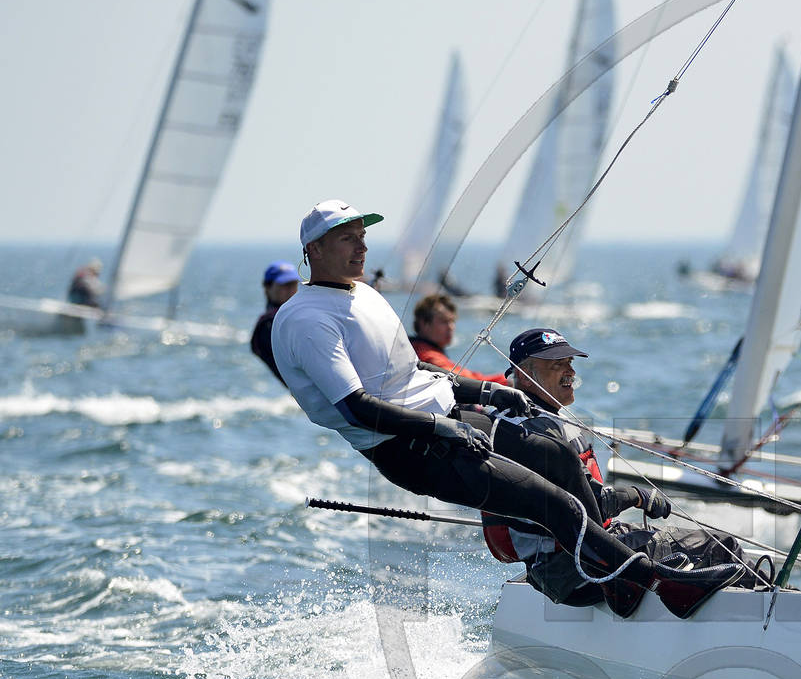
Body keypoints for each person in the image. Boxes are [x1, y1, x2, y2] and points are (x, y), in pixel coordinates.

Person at [270, 198, 739, 618]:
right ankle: (656, 583)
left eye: (362, 236)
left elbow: (414, 374)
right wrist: (439, 428)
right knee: (555, 505)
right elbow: (357, 408)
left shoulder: (364, 294)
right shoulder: (307, 319)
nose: (362, 247)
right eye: (347, 239)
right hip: (409, 446)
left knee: (557, 454)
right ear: (314, 249)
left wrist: (490, 393)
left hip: (449, 417)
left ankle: (607, 566)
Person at [477, 327, 679, 605]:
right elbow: (586, 510)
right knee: (715, 546)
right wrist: (638, 495)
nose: (570, 372)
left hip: (558, 566)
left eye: (570, 362)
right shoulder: (535, 435)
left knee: (676, 542)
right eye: (557, 365)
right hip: (578, 571)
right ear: (524, 376)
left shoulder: (517, 421)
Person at [410, 293, 506, 383]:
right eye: (444, 321)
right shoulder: (426, 356)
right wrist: (507, 381)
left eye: (452, 321)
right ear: (424, 324)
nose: (451, 327)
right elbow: (460, 378)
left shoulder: (417, 349)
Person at [250, 261, 302, 385]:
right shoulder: (267, 326)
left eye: (293, 284)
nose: (291, 290)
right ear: (267, 288)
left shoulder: (298, 315)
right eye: (284, 285)